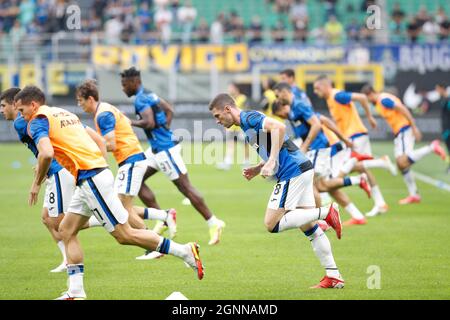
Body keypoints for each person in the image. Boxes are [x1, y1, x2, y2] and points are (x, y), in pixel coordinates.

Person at [15, 85, 204, 300]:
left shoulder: (38, 120)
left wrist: (36, 183)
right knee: (66, 229)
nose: (22, 116)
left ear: (33, 105)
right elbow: (91, 139)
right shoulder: (63, 113)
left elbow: (46, 153)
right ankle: (75, 292)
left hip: (91, 178)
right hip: (89, 176)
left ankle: (184, 251)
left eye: (22, 111)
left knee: (125, 235)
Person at [209, 93, 345, 289]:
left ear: (228, 109)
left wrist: (272, 161)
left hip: (293, 172)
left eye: (217, 116)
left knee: (271, 224)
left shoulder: (249, 117)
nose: (217, 121)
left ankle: (326, 212)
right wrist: (259, 167)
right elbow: (278, 144)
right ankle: (333, 275)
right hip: (302, 169)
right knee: (309, 228)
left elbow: (279, 127)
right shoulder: (247, 125)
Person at [0, 87, 102, 273]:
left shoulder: (23, 123)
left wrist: (36, 181)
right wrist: (40, 165)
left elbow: (47, 150)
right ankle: (66, 259)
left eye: (3, 105)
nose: (1, 110)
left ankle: (103, 218)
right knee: (47, 218)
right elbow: (46, 148)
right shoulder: (47, 115)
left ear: (16, 105)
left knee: (62, 224)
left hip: (58, 172)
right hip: (54, 171)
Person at [120, 67, 225, 246]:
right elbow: (170, 109)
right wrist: (165, 129)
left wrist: (129, 122)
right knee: (135, 180)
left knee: (185, 187)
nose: (123, 89)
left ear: (134, 82)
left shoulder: (141, 99)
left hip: (165, 150)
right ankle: (162, 218)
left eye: (124, 85)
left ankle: (213, 222)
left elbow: (149, 122)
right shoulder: (150, 94)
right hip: (156, 150)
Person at [75, 80, 177, 256]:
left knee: (123, 209)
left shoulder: (103, 114)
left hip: (131, 160)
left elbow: (111, 144)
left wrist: (87, 147)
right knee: (122, 207)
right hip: (131, 160)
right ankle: (164, 217)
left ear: (90, 99)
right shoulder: (105, 109)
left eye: (80, 101)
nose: (79, 104)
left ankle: (153, 245)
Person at [272, 83, 371, 226]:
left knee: (312, 185)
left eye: (277, 95)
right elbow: (320, 121)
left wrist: (305, 145)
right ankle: (357, 212)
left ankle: (319, 220)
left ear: (284, 92)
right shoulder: (294, 110)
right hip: (318, 149)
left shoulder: (299, 105)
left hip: (318, 148)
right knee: (325, 186)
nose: (277, 98)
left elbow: (318, 124)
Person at [314, 75, 396, 217]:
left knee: (341, 173)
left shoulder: (337, 95)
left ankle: (381, 162)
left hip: (355, 135)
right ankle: (380, 203)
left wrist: (369, 116)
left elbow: (362, 98)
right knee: (361, 168)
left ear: (326, 85)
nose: (316, 91)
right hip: (353, 136)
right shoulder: (331, 99)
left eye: (317, 87)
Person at [362, 85, 447, 204]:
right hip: (400, 131)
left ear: (370, 94)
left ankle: (432, 147)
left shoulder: (383, 100)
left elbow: (402, 108)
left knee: (402, 162)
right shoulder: (380, 101)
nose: (368, 101)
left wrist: (413, 125)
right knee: (401, 165)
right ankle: (414, 195)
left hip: (404, 129)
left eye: (367, 98)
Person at [217, 82, 250, 170]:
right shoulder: (229, 99)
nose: (229, 90)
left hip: (241, 125)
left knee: (244, 144)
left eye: (231, 88)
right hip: (231, 126)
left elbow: (245, 110)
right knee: (230, 143)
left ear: (236, 88)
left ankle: (246, 161)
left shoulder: (243, 98)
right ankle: (228, 162)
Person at [435, 83, 450, 173]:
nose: (437, 91)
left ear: (442, 89)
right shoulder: (444, 100)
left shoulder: (448, 100)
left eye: (438, 89)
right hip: (445, 129)